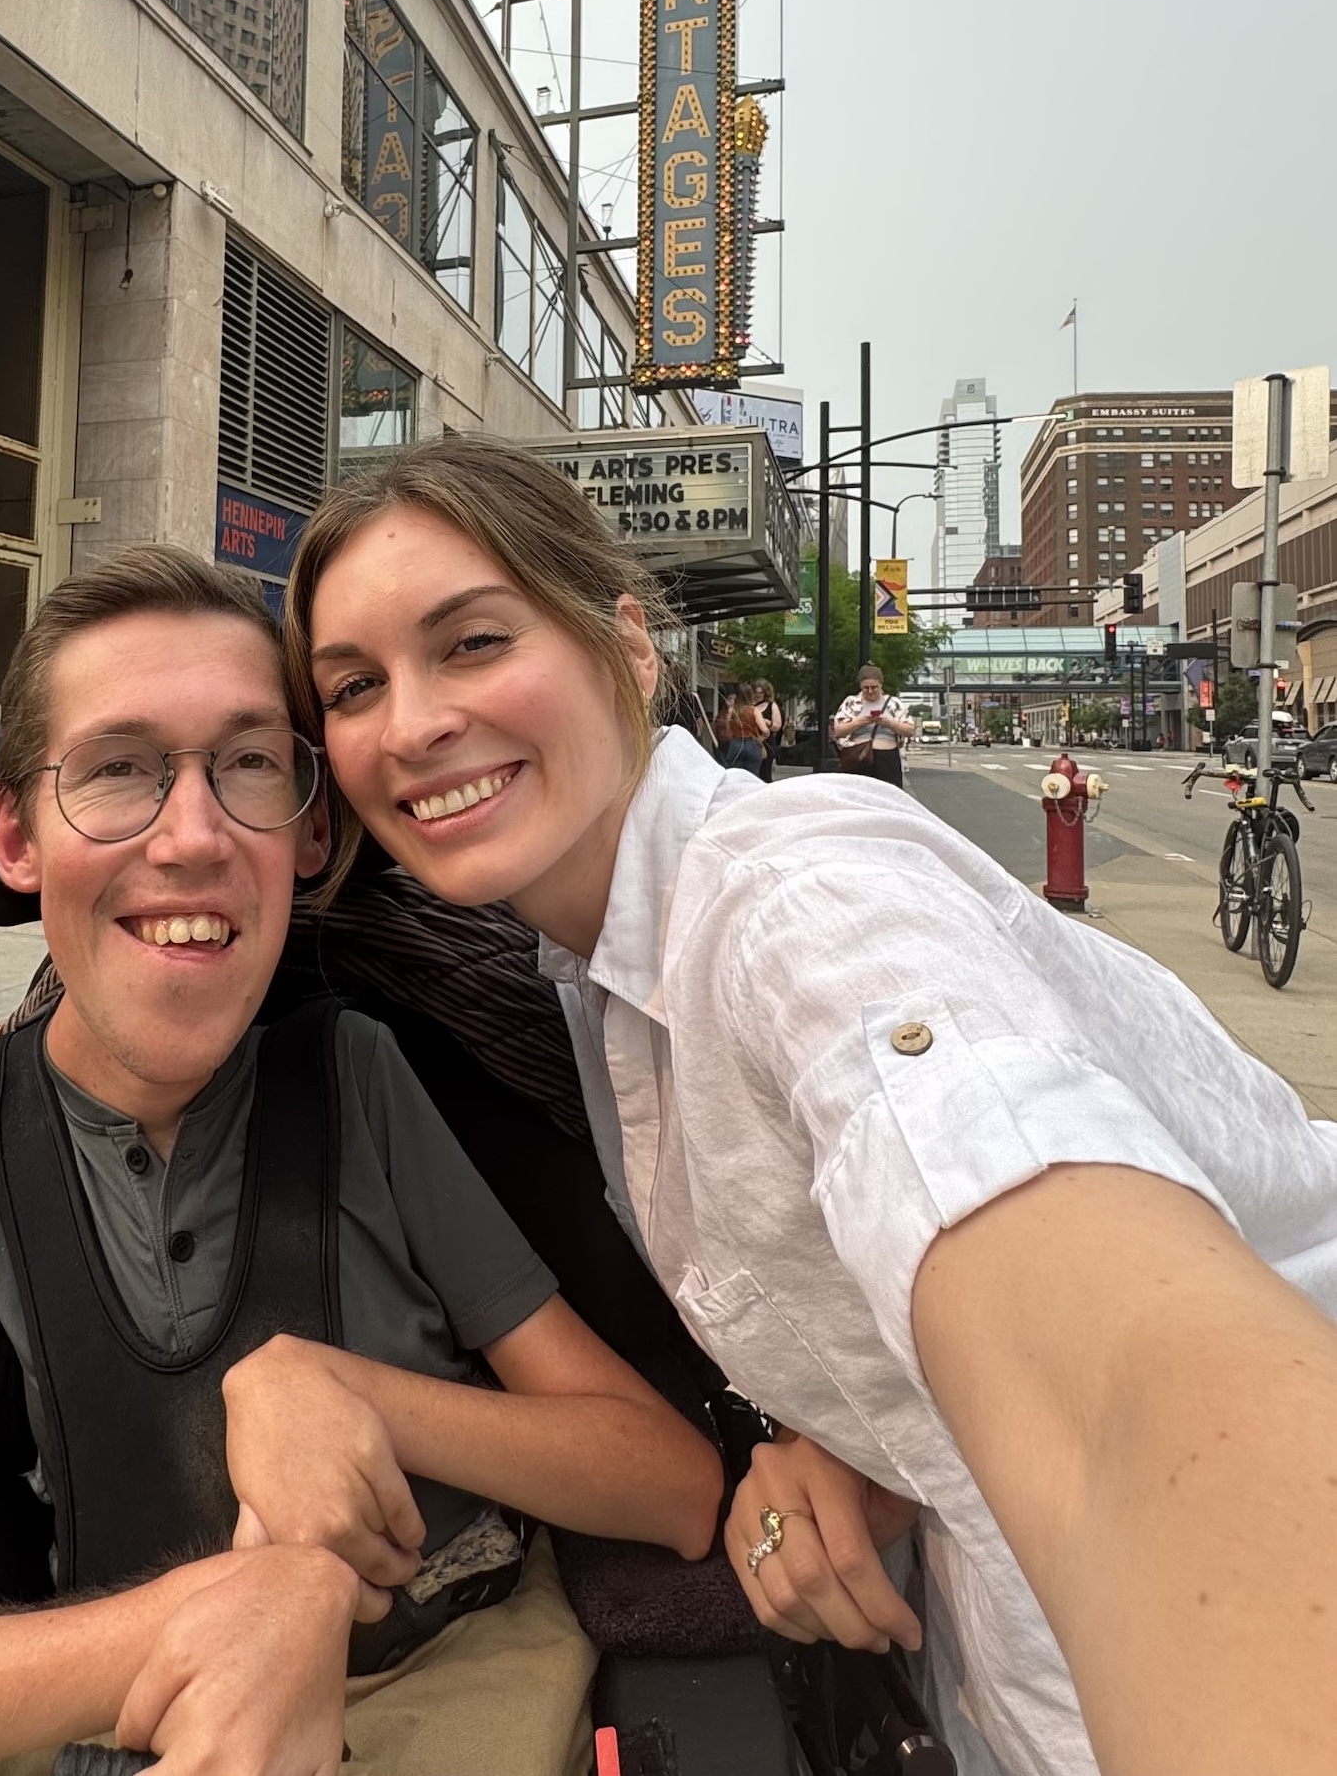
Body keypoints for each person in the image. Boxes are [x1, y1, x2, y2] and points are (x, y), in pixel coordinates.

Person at [282, 436, 1337, 1776]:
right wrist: (846, 1435)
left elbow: (1129, 1384)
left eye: (476, 642)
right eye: (357, 684)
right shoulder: (599, 976)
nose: (416, 719)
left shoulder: (802, 908)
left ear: (627, 643)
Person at [0, 548, 721, 1776]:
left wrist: (361, 1395)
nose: (193, 836)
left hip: (438, 1685)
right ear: (14, 833)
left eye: (247, 762)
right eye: (116, 769)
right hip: (118, 1710)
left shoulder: (354, 1080)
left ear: (309, 830)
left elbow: (670, 1483)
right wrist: (247, 1611)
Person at [830, 666, 914, 787]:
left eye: (874, 687)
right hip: (859, 757)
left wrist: (888, 723)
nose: (870, 691)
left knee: (887, 796)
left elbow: (910, 730)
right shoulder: (851, 703)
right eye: (866, 688)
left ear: (881, 685)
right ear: (860, 686)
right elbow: (839, 731)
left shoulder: (894, 704)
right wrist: (861, 722)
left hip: (887, 757)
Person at [714, 683, 766, 776]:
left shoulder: (732, 711)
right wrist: (761, 737)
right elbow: (765, 730)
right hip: (752, 743)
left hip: (736, 744)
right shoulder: (754, 710)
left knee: (735, 775)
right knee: (753, 775)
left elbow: (728, 728)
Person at [751, 679, 783, 783]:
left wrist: (769, 723)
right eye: (756, 692)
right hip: (751, 741)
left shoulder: (772, 705)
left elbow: (777, 726)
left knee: (765, 772)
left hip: (766, 742)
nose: (758, 695)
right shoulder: (750, 706)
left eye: (761, 693)